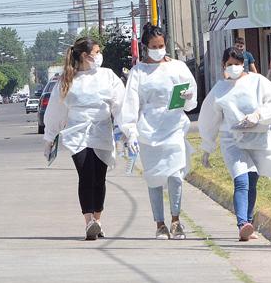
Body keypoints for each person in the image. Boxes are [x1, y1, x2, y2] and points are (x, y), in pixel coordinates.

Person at [120, 23, 198, 240]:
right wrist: (131, 131)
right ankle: (160, 223)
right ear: (145, 47)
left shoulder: (178, 67)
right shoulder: (138, 72)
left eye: (161, 45)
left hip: (173, 126)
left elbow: (191, 99)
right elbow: (131, 104)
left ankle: (176, 219)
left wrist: (188, 97)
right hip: (148, 131)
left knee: (175, 175)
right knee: (154, 178)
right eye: (154, 46)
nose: (158, 49)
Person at [43, 37, 125, 240]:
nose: (99, 56)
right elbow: (56, 110)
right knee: (86, 175)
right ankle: (88, 221)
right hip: (77, 135)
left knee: (99, 178)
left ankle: (98, 219)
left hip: (101, 133)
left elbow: (120, 103)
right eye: (96, 52)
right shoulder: (67, 79)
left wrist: (125, 128)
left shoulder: (107, 76)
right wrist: (50, 136)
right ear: (84, 56)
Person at [199, 47, 271, 241]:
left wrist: (258, 116)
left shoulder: (257, 81)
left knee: (252, 181)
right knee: (241, 180)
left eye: (237, 64)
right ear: (224, 66)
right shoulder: (219, 90)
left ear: (243, 64)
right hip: (232, 140)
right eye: (230, 64)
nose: (234, 68)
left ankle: (247, 221)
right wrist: (207, 146)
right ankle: (241, 224)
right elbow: (209, 119)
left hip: (256, 138)